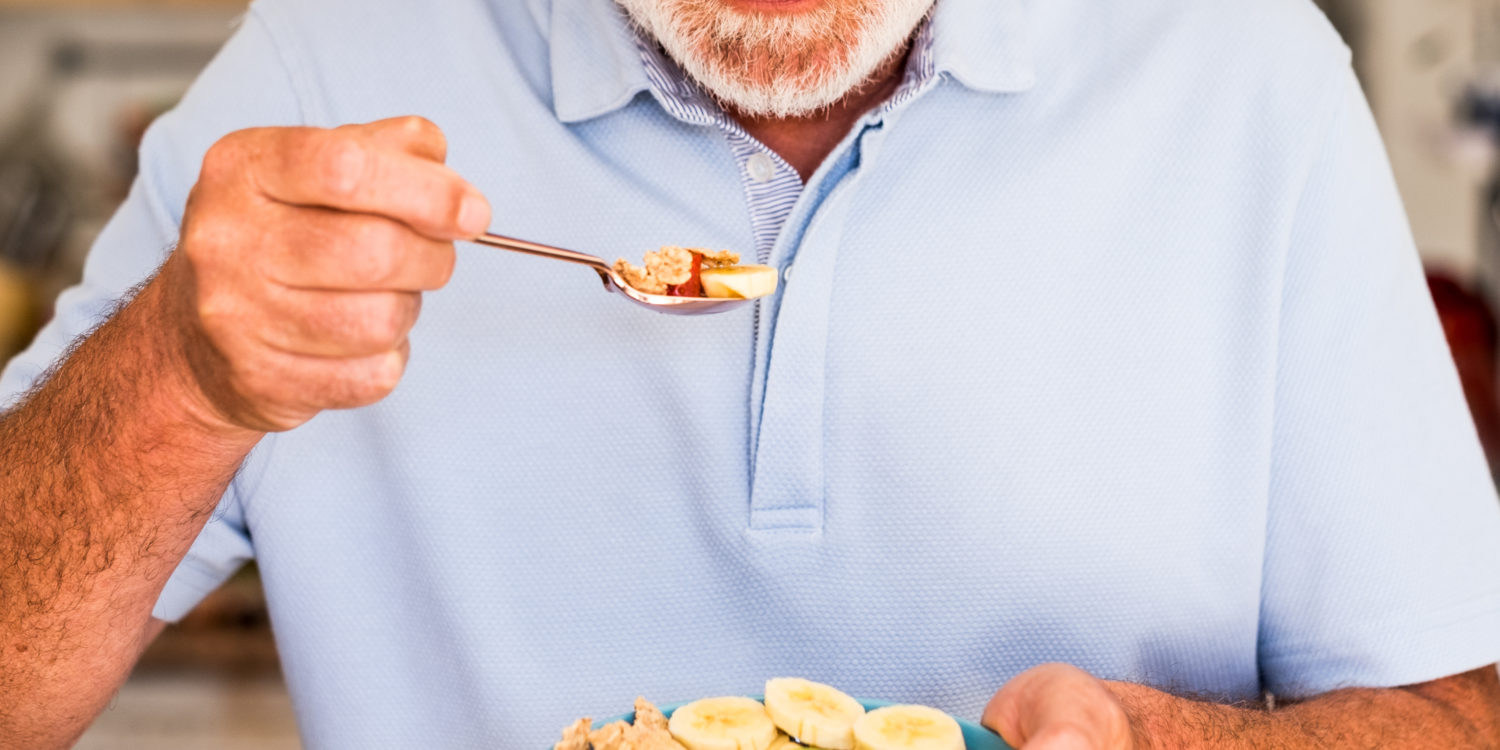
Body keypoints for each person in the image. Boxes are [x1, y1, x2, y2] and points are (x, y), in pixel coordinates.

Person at [2, 0, 1499, 747]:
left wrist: (1151, 743)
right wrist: (178, 381)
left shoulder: (1243, 68)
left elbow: (1458, 710)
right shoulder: (331, 58)